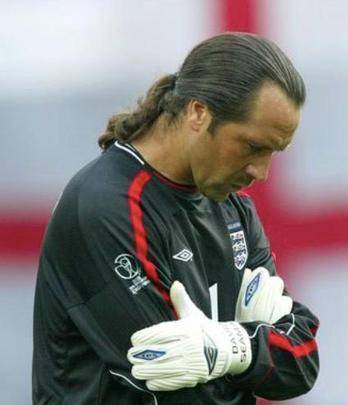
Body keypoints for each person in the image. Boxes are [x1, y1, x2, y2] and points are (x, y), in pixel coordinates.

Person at [32, 32, 320, 404]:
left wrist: (234, 347)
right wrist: (252, 349)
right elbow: (179, 390)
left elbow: (302, 359)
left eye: (274, 152)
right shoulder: (108, 208)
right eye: (253, 146)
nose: (261, 172)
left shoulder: (234, 210)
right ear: (198, 113)